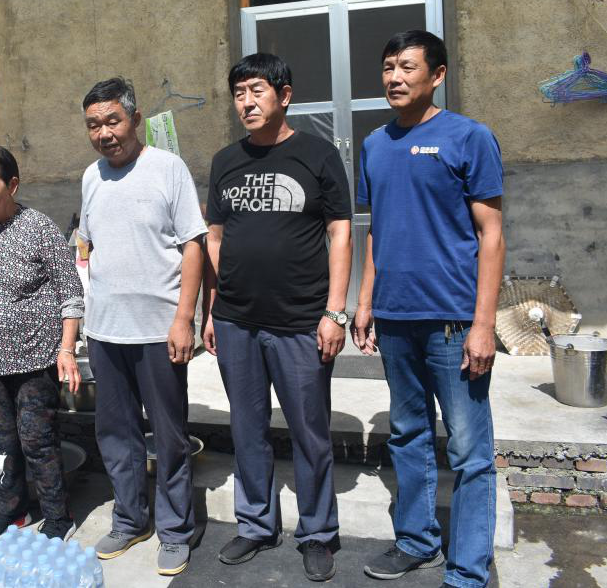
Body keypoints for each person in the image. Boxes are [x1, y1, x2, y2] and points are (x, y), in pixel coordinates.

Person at [353, 30, 505, 588]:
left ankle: (468, 568)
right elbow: (377, 231)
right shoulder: (374, 144)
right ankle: (416, 541)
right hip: (396, 320)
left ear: (437, 75)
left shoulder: (469, 137)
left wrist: (484, 324)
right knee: (407, 434)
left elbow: (491, 234)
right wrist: (365, 303)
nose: (394, 77)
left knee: (468, 449)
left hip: (453, 323)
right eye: (388, 67)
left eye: (407, 67)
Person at [203, 53, 352, 581]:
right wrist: (214, 307)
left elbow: (340, 231)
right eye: (239, 93)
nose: (246, 102)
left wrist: (336, 310)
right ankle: (256, 524)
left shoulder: (317, 155)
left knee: (310, 431)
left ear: (284, 95)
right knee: (247, 428)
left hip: (300, 320)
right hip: (236, 321)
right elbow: (215, 237)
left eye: (257, 90)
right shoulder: (225, 161)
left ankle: (317, 532)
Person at [78, 77, 206, 576]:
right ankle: (130, 519)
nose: (104, 133)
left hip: (159, 330)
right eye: (94, 125)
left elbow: (193, 244)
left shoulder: (168, 168)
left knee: (169, 436)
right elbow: (87, 246)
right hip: (105, 331)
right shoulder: (91, 177)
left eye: (112, 121)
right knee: (116, 434)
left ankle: (175, 530)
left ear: (134, 118)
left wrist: (184, 319)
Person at [0, 146, 85, 540]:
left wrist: (66, 350)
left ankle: (58, 517)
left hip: (35, 359)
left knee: (38, 441)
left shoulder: (40, 228)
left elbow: (70, 293)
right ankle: (12, 511)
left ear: (12, 184)